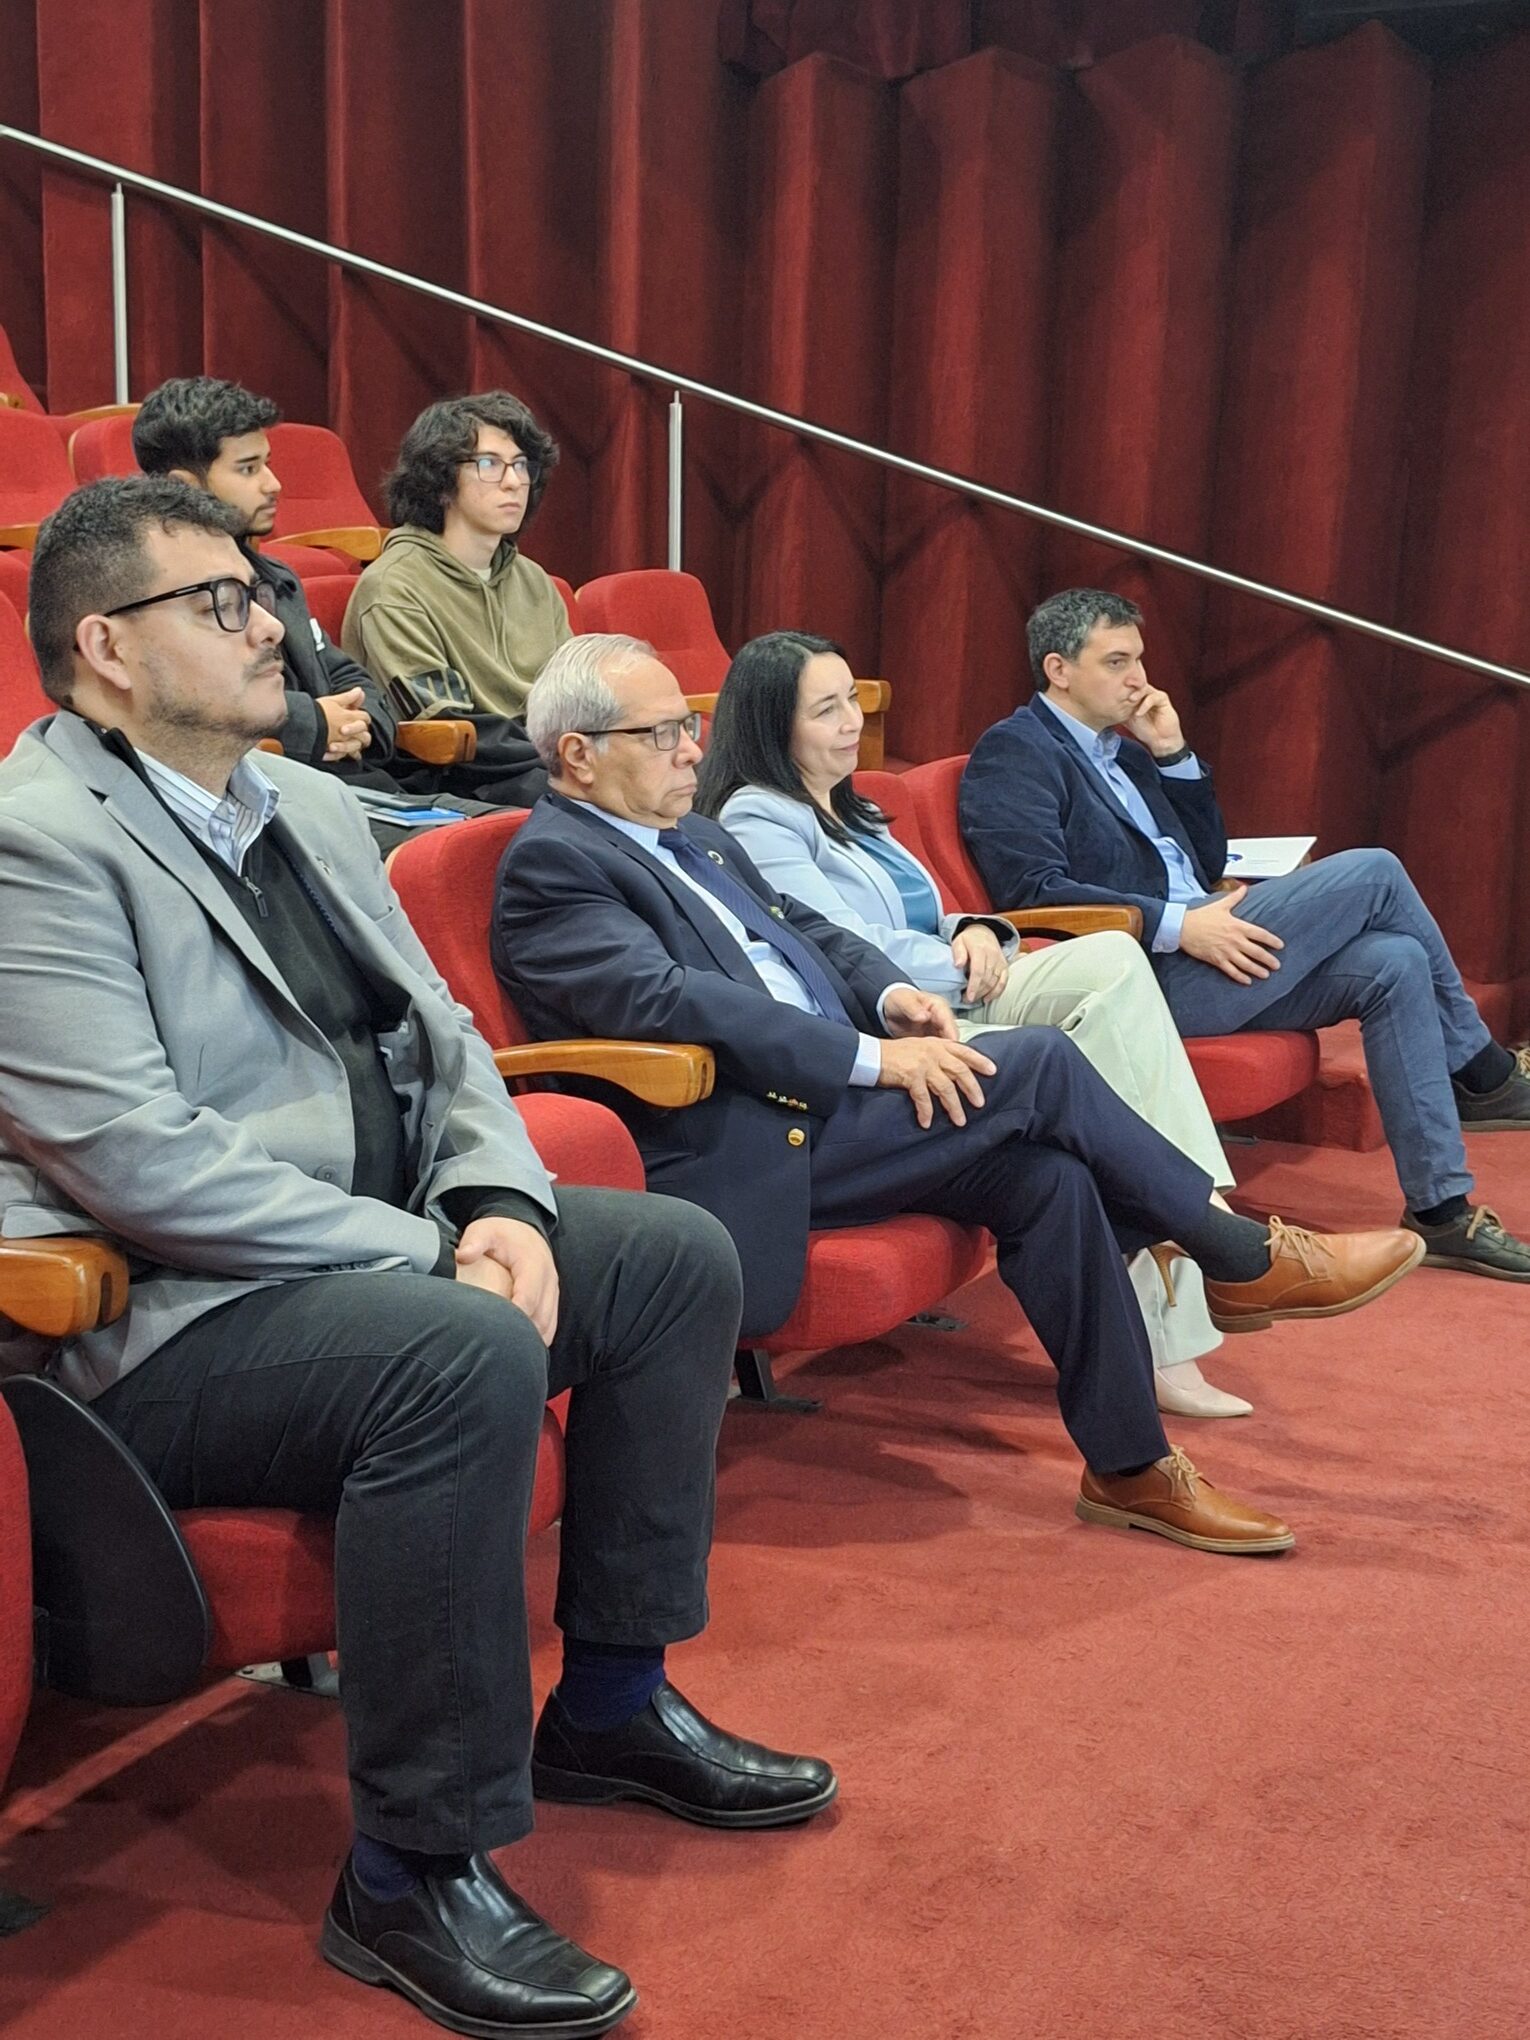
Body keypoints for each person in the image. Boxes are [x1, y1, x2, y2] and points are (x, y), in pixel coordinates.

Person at [0, 479, 837, 2040]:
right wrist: (428, 1254)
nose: (274, 626)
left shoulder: (308, 805)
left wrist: (499, 1206)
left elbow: (447, 1044)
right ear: (105, 647)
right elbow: (133, 1159)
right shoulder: (30, 842)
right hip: (165, 1322)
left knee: (665, 1260)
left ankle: (610, 1704)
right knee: (462, 1351)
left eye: (266, 594)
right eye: (222, 603)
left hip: (366, 1262)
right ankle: (409, 1868)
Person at [493, 633, 1427, 1558]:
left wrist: (891, 998)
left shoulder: (692, 834)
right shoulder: (555, 867)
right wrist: (871, 1058)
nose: (692, 750)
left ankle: (1132, 1468)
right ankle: (1236, 1252)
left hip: (831, 1113)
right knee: (1040, 1061)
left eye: (689, 728)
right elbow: (673, 1002)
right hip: (745, 1140)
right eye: (662, 733)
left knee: (1050, 1179)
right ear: (579, 753)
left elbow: (813, 934)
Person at [694, 628, 1250, 1421]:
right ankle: (1201, 1229)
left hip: (960, 981)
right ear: (770, 725)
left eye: (852, 700)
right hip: (910, 1014)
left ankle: (1193, 1225)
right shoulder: (759, 816)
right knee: (1077, 1042)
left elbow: (922, 912)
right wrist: (956, 962)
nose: (852, 722)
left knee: (1113, 968)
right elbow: (841, 947)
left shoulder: (851, 804)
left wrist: (980, 928)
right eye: (826, 710)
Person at [958, 588, 1530, 1281]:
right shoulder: (1015, 750)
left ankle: (1441, 1211)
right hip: (1140, 973)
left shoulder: (1127, 754)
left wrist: (1171, 753)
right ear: (1058, 669)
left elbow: (1203, 861)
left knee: (1396, 960)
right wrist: (1178, 926)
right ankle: (1483, 1073)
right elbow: (1032, 890)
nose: (1139, 679)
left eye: (1139, 659)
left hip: (1207, 934)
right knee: (1375, 870)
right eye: (1116, 662)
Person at [132, 377, 546, 839]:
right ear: (186, 487)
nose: (273, 484)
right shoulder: (162, 593)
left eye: (267, 464)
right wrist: (316, 723)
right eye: (249, 470)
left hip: (364, 786)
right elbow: (197, 699)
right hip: (276, 798)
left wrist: (357, 722)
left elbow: (345, 673)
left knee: (524, 831)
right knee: (507, 839)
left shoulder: (276, 577)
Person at [342, 389, 572, 723]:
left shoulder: (534, 579)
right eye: (489, 463)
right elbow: (444, 721)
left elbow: (574, 695)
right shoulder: (392, 587)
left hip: (550, 746)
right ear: (441, 481)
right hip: (467, 754)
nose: (514, 481)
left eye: (521, 465)